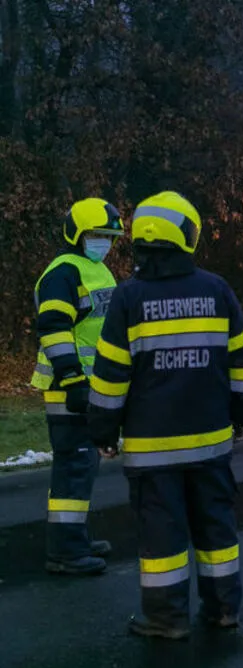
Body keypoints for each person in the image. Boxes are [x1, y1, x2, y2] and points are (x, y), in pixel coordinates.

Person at [87, 191, 243, 639]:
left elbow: (109, 378)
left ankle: (165, 620)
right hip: (211, 444)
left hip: (152, 451)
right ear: (185, 235)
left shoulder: (128, 298)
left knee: (162, 537)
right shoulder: (217, 290)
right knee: (217, 530)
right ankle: (224, 611)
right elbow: (242, 366)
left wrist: (103, 431)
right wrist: (241, 417)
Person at [30, 198, 124, 575]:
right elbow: (53, 329)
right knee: (73, 464)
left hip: (87, 384)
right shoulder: (63, 273)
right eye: (97, 235)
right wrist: (72, 378)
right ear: (77, 233)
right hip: (68, 386)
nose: (104, 242)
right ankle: (66, 552)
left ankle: (75, 539)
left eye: (109, 236)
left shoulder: (95, 270)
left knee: (82, 465)